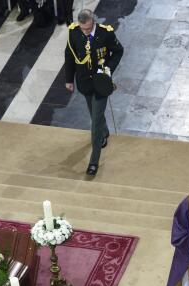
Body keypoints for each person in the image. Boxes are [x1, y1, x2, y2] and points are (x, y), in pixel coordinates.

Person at [65, 9, 123, 176]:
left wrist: (107, 70)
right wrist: (69, 79)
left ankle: (94, 162)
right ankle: (104, 132)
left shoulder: (105, 34)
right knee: (93, 112)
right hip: (84, 82)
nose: (86, 32)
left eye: (89, 28)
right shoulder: (74, 32)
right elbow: (69, 56)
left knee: (95, 122)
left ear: (94, 22)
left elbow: (118, 51)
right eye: (83, 29)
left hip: (101, 83)